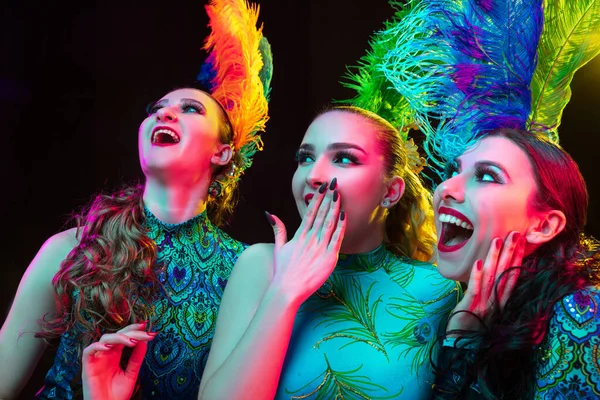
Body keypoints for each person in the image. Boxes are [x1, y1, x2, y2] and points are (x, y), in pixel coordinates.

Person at [0, 0, 271, 396]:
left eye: (190, 109)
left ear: (222, 152)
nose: (164, 114)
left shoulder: (244, 269)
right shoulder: (73, 249)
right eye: (156, 109)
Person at [196, 105, 461, 400]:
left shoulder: (439, 289)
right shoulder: (261, 265)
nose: (314, 175)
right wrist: (285, 291)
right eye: (305, 158)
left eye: (344, 158)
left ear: (390, 193)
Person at [430, 128, 600, 399]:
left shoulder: (584, 316)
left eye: (486, 176)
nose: (445, 188)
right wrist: (462, 339)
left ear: (543, 225)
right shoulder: (449, 307)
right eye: (453, 171)